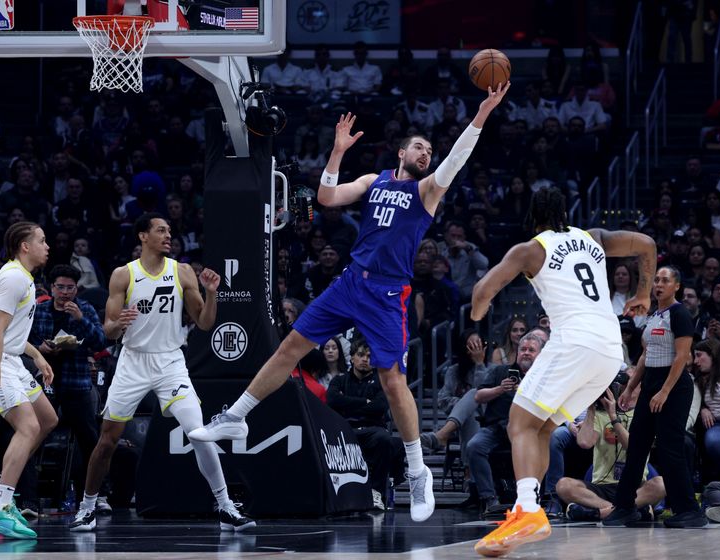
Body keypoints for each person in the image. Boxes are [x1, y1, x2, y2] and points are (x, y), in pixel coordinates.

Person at [190, 83, 512, 524]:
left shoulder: (427, 192)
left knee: (391, 379)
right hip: (348, 283)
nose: (426, 154)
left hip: (386, 295)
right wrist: (338, 151)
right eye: (419, 147)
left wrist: (480, 116)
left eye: (429, 150)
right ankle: (237, 416)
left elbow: (456, 159)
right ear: (401, 153)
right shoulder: (373, 180)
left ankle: (417, 471)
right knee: (288, 349)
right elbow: (325, 198)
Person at [470, 186, 656, 556]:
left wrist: (476, 315)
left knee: (519, 423)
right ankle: (531, 511)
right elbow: (647, 244)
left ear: (532, 216)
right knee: (541, 427)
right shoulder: (595, 238)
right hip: (608, 350)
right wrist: (644, 295)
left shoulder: (530, 249)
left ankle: (525, 510)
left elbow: (482, 289)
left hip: (574, 341)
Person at [69, 213, 254, 533]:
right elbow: (109, 331)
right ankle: (87, 507)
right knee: (108, 440)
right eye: (160, 230)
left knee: (199, 433)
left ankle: (225, 507)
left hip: (170, 362)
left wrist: (212, 293)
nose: (168, 235)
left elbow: (206, 323)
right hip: (133, 362)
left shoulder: (182, 271)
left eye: (169, 230)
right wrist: (119, 322)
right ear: (143, 236)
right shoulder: (123, 275)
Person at [0, 221, 58, 539]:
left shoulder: (25, 278)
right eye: (42, 241)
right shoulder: (14, 278)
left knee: (47, 419)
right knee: (29, 426)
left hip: (12, 358)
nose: (48, 246)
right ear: (25, 246)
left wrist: (36, 354)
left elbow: (10, 332)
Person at [604, 267, 707, 528]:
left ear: (677, 286)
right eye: (656, 280)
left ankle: (689, 510)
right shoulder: (653, 314)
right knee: (636, 447)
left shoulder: (680, 313)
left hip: (673, 388)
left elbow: (682, 356)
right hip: (650, 385)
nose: (659, 285)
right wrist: (629, 389)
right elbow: (644, 357)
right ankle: (625, 506)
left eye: (665, 281)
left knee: (670, 449)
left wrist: (664, 391)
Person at [27, 264, 108, 506]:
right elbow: (23, 339)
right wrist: (39, 349)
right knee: (30, 436)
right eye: (60, 287)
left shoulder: (85, 309)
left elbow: (99, 342)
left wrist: (80, 320)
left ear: (77, 289)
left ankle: (94, 496)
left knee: (89, 440)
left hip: (77, 383)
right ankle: (28, 500)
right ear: (51, 288)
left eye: (70, 288)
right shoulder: (39, 310)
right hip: (44, 384)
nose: (65, 293)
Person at [557, 374, 666, 522]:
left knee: (661, 484)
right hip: (602, 487)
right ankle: (621, 511)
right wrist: (591, 408)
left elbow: (634, 448)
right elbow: (584, 443)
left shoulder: (642, 414)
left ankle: (598, 513)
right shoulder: (598, 415)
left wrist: (613, 417)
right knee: (563, 485)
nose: (614, 392)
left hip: (634, 486)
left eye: (618, 387)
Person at [467, 332, 547, 518]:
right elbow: (478, 396)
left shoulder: (543, 378)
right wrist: (500, 389)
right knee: (474, 446)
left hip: (529, 430)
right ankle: (489, 498)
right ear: (517, 352)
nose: (526, 353)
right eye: (523, 349)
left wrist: (525, 392)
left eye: (531, 350)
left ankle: (539, 496)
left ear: (539, 355)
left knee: (547, 444)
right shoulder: (500, 372)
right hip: (496, 428)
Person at [326, 340, 403, 510]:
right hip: (345, 429)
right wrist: (365, 403)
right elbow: (332, 400)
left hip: (373, 431)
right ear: (352, 357)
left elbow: (380, 407)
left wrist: (347, 402)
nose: (365, 359)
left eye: (369, 356)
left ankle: (376, 493)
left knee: (385, 439)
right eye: (360, 355)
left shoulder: (381, 382)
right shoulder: (339, 381)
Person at [693, 338, 720, 481]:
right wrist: (703, 409)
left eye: (699, 355)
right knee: (714, 442)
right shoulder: (699, 378)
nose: (695, 361)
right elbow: (693, 404)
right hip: (718, 423)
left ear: (713, 354)